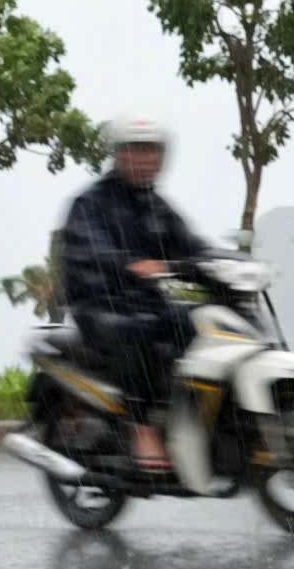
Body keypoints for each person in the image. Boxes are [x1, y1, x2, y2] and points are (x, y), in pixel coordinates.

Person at [57, 113, 218, 472]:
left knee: (198, 322)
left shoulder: (157, 206)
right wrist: (131, 265)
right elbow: (90, 250)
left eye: (152, 151)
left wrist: (220, 263)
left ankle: (188, 419)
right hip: (99, 305)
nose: (146, 159)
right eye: (136, 150)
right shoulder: (90, 203)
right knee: (140, 330)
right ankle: (143, 428)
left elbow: (191, 245)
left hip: (145, 302)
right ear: (118, 154)